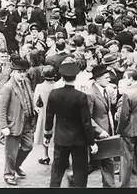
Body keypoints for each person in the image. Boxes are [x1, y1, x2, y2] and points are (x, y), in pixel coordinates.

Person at [44, 57, 97, 188]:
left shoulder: (54, 94)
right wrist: (92, 142)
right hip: (79, 141)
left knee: (57, 172)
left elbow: (49, 116)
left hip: (60, 139)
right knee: (80, 172)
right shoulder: (81, 96)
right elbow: (86, 122)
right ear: (76, 77)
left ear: (61, 77)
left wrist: (47, 136)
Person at [0, 58, 37, 186]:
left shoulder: (26, 82)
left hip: (26, 121)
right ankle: (9, 174)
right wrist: (3, 126)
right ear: (13, 72)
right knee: (11, 152)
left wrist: (34, 106)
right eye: (19, 72)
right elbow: (1, 109)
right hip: (13, 124)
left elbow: (28, 96)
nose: (22, 74)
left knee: (28, 146)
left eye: (24, 72)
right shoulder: (7, 87)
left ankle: (16, 166)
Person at [86, 64, 115, 188]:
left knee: (107, 162)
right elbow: (87, 117)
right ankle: (75, 176)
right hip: (99, 135)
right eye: (106, 77)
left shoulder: (104, 91)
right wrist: (99, 130)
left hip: (107, 133)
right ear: (97, 79)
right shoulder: (91, 94)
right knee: (103, 162)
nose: (109, 80)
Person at [33, 65, 57, 165]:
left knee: (45, 133)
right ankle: (57, 156)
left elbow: (35, 101)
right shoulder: (58, 85)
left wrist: (37, 108)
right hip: (56, 113)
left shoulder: (39, 87)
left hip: (44, 113)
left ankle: (45, 155)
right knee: (56, 134)